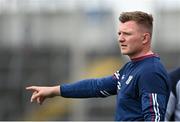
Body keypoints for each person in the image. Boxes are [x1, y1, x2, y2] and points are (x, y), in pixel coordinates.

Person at [26, 11, 170, 121]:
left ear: (145, 38)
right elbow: (97, 86)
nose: (120, 38)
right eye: (119, 33)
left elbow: (154, 118)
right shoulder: (130, 68)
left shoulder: (150, 71)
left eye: (127, 34)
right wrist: (54, 91)